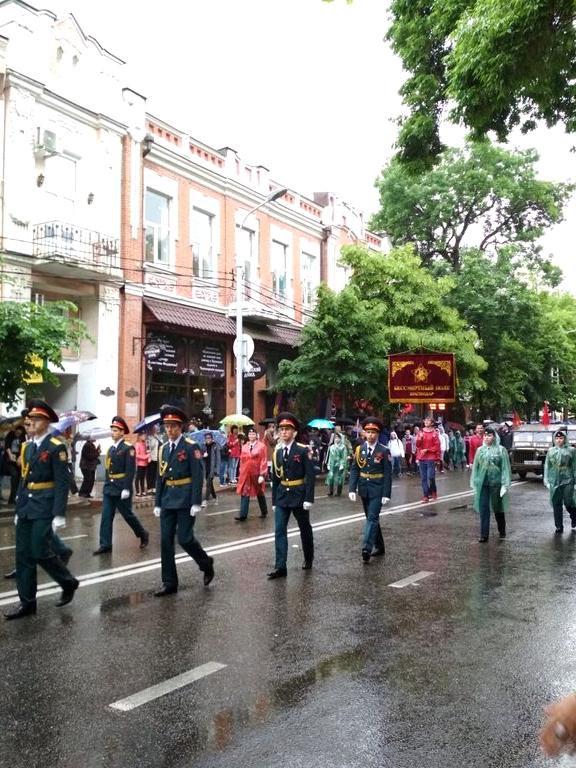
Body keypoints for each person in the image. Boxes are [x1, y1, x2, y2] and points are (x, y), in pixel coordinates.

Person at [4, 400, 79, 620]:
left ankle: (68, 582)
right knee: (23, 555)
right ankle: (27, 603)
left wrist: (59, 513)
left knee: (39, 549)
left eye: (36, 419)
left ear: (46, 422)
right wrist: (19, 508)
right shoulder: (28, 447)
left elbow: (62, 482)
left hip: (45, 504)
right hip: (27, 504)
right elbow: (25, 479)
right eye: (31, 419)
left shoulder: (56, 446)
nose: (31, 422)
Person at [153, 405, 214, 595]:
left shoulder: (190, 446)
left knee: (185, 539)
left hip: (186, 498)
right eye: (167, 426)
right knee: (165, 541)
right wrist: (157, 502)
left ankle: (206, 563)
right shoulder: (163, 448)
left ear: (181, 427)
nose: (169, 430)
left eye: (173, 426)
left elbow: (198, 475)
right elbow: (160, 476)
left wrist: (197, 501)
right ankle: (169, 582)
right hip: (167, 499)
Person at [268, 412, 315, 579]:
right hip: (282, 496)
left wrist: (309, 499)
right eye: (281, 429)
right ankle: (280, 566)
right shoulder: (277, 452)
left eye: (287, 429)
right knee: (279, 530)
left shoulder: (303, 450)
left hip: (299, 495)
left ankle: (308, 557)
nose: (283, 432)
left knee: (304, 528)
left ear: (294, 432)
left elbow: (310, 476)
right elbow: (275, 478)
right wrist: (274, 500)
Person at [93, 416, 149, 555]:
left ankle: (142, 533)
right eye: (112, 430)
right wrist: (106, 484)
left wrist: (126, 488)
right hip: (110, 488)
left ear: (122, 432)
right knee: (106, 516)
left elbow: (130, 470)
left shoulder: (128, 448)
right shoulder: (111, 449)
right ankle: (105, 544)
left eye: (115, 430)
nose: (112, 432)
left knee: (127, 514)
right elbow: (108, 469)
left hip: (121, 487)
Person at [348, 417, 392, 562]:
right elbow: (355, 469)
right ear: (364, 433)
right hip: (364, 488)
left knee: (372, 518)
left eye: (373, 432)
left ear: (378, 434)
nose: (371, 435)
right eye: (368, 432)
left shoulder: (384, 450)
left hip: (378, 488)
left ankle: (366, 548)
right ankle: (380, 546)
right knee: (371, 518)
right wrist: (352, 489)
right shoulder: (360, 449)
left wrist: (386, 493)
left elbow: (387, 474)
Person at [470, 426, 512, 542]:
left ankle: (502, 530)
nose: (487, 438)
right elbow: (476, 468)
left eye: (489, 435)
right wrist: (475, 482)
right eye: (485, 435)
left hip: (496, 483)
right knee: (483, 508)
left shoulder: (501, 450)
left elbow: (505, 468)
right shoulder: (480, 450)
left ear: (494, 437)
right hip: (483, 483)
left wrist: (504, 484)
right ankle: (484, 535)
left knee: (497, 507)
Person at [543, 429, 576, 534]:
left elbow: (574, 466)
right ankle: (558, 526)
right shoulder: (551, 451)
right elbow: (547, 466)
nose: (559, 440)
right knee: (556, 503)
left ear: (565, 439)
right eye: (556, 438)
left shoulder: (571, 450)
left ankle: (574, 517)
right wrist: (546, 480)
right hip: (555, 480)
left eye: (561, 438)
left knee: (568, 502)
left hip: (568, 479)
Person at [235, 426, 268, 520]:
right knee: (245, 492)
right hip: (246, 472)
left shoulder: (261, 446)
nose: (251, 435)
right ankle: (243, 515)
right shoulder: (245, 446)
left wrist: (262, 474)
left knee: (259, 492)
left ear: (256, 435)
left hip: (256, 472)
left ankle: (264, 511)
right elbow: (242, 460)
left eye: (253, 434)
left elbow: (263, 460)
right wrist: (240, 472)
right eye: (250, 434)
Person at [416, 417, 441, 503]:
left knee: (430, 477)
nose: (426, 422)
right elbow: (418, 445)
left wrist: (428, 450)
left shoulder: (435, 433)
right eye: (425, 420)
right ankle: (426, 495)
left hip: (431, 457)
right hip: (422, 457)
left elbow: (437, 446)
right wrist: (419, 438)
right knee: (423, 478)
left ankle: (433, 490)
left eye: (428, 421)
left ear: (432, 423)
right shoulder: (421, 432)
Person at [4, 425, 25, 503]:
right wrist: (10, 455)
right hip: (10, 458)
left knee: (19, 478)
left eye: (19, 433)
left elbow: (23, 448)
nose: (18, 434)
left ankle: (14, 498)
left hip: (19, 458)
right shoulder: (10, 434)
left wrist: (19, 457)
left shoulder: (23, 438)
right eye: (17, 433)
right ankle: (12, 499)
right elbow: (7, 446)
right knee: (14, 475)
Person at [202, 431, 220, 506]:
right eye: (206, 438)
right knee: (210, 484)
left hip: (212, 469)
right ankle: (215, 497)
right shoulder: (203, 446)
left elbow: (218, 459)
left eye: (209, 438)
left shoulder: (215, 446)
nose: (208, 439)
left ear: (212, 438)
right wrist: (203, 455)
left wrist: (217, 470)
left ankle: (205, 500)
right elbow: (199, 456)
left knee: (208, 483)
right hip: (205, 469)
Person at [146, 426, 162, 495]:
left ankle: (154, 488)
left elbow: (162, 443)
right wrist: (153, 438)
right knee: (150, 474)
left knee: (155, 473)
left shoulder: (158, 436)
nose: (155, 430)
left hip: (157, 457)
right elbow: (150, 447)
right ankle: (150, 488)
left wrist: (157, 437)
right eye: (154, 429)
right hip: (151, 458)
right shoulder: (148, 437)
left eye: (156, 429)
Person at [134, 431, 150, 497]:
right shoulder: (137, 444)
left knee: (143, 478)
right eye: (143, 436)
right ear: (140, 437)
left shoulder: (145, 444)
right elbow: (137, 455)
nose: (145, 437)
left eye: (145, 436)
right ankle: (137, 492)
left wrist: (148, 451)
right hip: (140, 464)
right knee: (138, 478)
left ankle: (143, 491)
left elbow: (146, 452)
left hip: (145, 464)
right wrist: (145, 457)